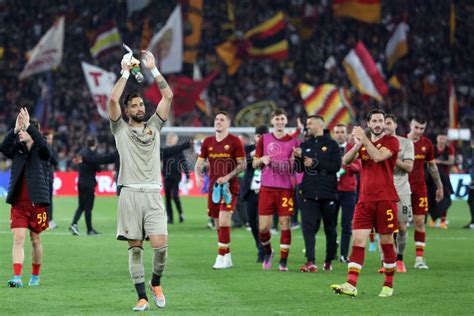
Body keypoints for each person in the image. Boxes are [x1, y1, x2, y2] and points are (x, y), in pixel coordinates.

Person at [108, 50, 173, 311]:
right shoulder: (119, 129)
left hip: (153, 194)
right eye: (134, 105)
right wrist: (125, 71)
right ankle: (142, 296)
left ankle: (156, 282)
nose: (139, 108)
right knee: (135, 250)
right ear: (126, 111)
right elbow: (113, 98)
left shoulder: (155, 126)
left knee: (161, 248)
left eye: (141, 105)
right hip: (130, 194)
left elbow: (168, 96)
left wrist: (154, 70)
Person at [331, 109, 400, 298]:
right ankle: (351, 284)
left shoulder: (391, 141)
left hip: (385, 199)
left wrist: (365, 140)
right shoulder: (364, 143)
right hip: (364, 200)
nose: (378, 124)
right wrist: (357, 145)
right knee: (358, 241)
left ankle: (388, 284)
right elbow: (345, 161)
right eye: (375, 121)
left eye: (381, 121)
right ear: (369, 124)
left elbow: (378, 157)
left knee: (386, 241)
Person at [0, 108, 51, 287]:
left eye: (23, 130)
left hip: (37, 204)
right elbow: (3, 147)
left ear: (31, 132)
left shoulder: (41, 150)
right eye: (20, 130)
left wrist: (28, 126)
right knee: (18, 239)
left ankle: (35, 276)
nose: (20, 133)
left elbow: (45, 147)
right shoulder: (16, 150)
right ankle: (17, 277)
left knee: (35, 240)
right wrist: (14, 130)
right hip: (18, 204)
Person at [194, 111, 246, 269]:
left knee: (224, 221)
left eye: (222, 119)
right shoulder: (207, 142)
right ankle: (227, 255)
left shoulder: (235, 141)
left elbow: (242, 165)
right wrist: (197, 175)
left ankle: (220, 256)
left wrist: (228, 177)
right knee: (218, 224)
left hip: (230, 188)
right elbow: (199, 163)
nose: (218, 122)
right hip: (213, 189)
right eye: (216, 119)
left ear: (228, 123)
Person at [252, 108, 299, 272]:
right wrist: (262, 160)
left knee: (284, 223)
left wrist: (294, 161)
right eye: (276, 119)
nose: (279, 122)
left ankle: (283, 261)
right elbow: (254, 164)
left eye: (282, 119)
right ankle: (268, 252)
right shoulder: (264, 139)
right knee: (263, 228)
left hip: (286, 189)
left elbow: (296, 167)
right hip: (267, 188)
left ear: (286, 121)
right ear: (272, 121)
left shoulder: (293, 142)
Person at [293, 115, 341, 272]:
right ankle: (310, 261)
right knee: (308, 227)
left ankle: (328, 259)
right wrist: (298, 158)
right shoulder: (305, 144)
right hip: (308, 191)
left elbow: (335, 166)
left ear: (320, 125)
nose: (307, 126)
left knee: (330, 227)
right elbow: (300, 169)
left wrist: (315, 163)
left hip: (328, 192)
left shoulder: (332, 145)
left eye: (310, 123)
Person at [407, 116, 443, 269]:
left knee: (420, 222)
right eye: (416, 127)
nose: (419, 131)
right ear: (411, 125)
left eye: (422, 128)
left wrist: (439, 186)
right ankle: (395, 258)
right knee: (399, 225)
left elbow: (432, 167)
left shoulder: (427, 144)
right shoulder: (400, 141)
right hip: (402, 188)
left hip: (420, 188)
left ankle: (419, 259)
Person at [384, 115, 414, 273]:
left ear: (395, 124)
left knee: (401, 227)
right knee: (385, 228)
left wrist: (391, 157)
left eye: (389, 123)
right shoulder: (378, 143)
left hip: (401, 190)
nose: (386, 126)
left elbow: (409, 167)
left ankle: (400, 258)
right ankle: (387, 261)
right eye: (384, 123)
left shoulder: (406, 143)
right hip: (382, 190)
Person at [69, 136, 117, 236]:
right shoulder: (92, 155)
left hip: (81, 182)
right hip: (89, 183)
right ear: (95, 144)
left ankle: (74, 223)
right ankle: (89, 229)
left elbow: (77, 162)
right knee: (88, 208)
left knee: (81, 206)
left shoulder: (81, 152)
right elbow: (98, 166)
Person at [240, 125, 269, 263]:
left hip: (266, 191)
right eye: (258, 136)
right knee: (252, 222)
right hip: (251, 191)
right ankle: (260, 247)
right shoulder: (248, 149)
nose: (260, 139)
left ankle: (264, 250)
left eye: (263, 136)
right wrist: (252, 157)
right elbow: (240, 163)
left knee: (261, 223)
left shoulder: (272, 150)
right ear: (255, 137)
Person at [333, 124, 361, 263]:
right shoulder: (329, 148)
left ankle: (343, 254)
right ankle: (331, 251)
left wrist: (348, 164)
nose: (339, 134)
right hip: (331, 190)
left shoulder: (353, 148)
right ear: (334, 134)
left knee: (346, 224)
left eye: (342, 132)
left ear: (346, 134)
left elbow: (359, 167)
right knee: (330, 223)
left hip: (349, 191)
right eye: (337, 132)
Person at [162, 133, 191, 224]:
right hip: (166, 176)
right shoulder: (164, 151)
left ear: (176, 140)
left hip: (176, 176)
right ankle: (170, 217)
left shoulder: (179, 151)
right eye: (169, 138)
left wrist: (187, 175)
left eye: (172, 139)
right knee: (167, 198)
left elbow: (184, 163)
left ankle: (180, 213)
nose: (170, 140)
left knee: (174, 195)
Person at [427, 133, 454, 228]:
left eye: (443, 138)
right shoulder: (433, 148)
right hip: (432, 178)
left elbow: (451, 161)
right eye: (440, 138)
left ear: (446, 139)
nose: (442, 140)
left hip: (445, 178)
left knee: (445, 199)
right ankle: (433, 219)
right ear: (437, 138)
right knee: (432, 198)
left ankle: (443, 220)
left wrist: (439, 162)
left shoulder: (449, 149)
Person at [44, 131, 58, 229]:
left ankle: (49, 220)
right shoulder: (45, 148)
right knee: (46, 200)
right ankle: (47, 220)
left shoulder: (50, 148)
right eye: (49, 138)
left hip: (48, 177)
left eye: (52, 139)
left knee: (48, 200)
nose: (51, 140)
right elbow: (55, 160)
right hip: (44, 177)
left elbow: (56, 161)